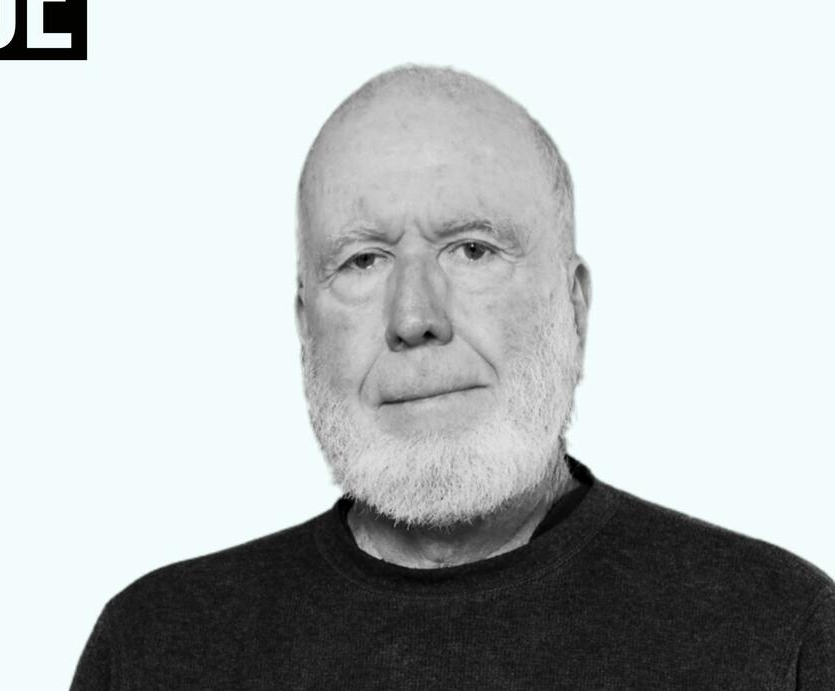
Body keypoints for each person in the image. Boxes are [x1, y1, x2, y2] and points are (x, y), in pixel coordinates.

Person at [69, 65, 835, 689]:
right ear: (306, 328)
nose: (414, 315)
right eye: (362, 261)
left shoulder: (778, 633)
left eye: (472, 249)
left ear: (574, 307)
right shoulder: (152, 648)